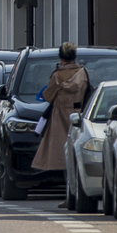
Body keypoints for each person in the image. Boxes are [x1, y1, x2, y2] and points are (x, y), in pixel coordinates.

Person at [32, 42, 90, 205]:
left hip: (60, 117)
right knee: (78, 155)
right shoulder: (83, 73)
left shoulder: (57, 76)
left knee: (64, 158)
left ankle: (69, 195)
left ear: (61, 57)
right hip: (79, 116)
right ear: (74, 56)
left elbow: (48, 96)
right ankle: (80, 193)